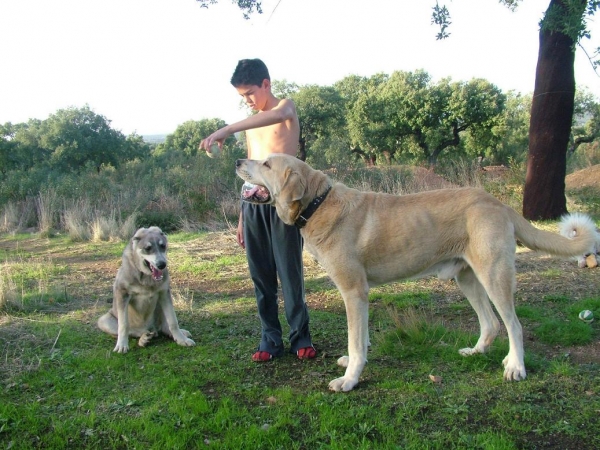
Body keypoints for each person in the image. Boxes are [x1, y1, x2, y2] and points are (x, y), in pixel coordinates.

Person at [199, 58, 316, 362]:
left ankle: (300, 338)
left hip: (283, 205)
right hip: (252, 207)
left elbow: (276, 115)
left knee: (290, 273)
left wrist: (226, 129)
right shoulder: (252, 125)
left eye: (250, 93)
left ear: (266, 84)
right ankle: (270, 340)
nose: (248, 101)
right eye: (242, 97)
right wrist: (241, 217)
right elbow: (250, 172)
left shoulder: (285, 109)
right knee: (261, 276)